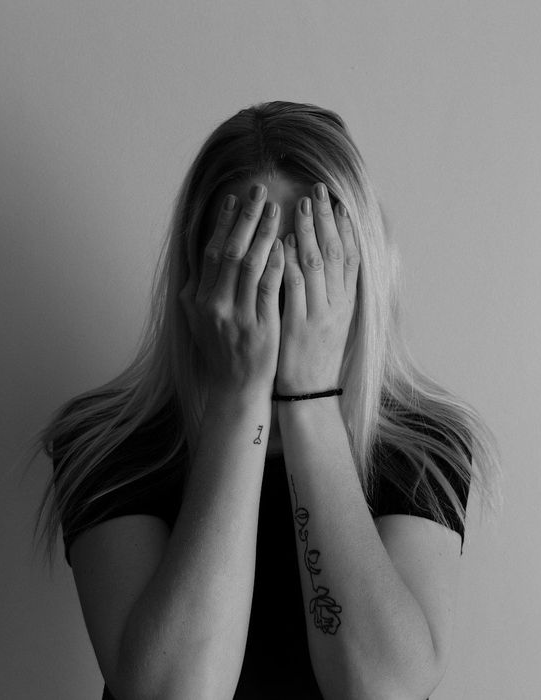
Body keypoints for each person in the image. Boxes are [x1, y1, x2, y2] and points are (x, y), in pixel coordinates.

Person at [34, 101, 499, 700]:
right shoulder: (106, 445)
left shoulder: (426, 447)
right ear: (196, 270)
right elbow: (175, 692)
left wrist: (310, 399)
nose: (279, 294)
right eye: (250, 261)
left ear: (359, 271)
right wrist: (238, 399)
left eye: (309, 261)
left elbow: (384, 690)